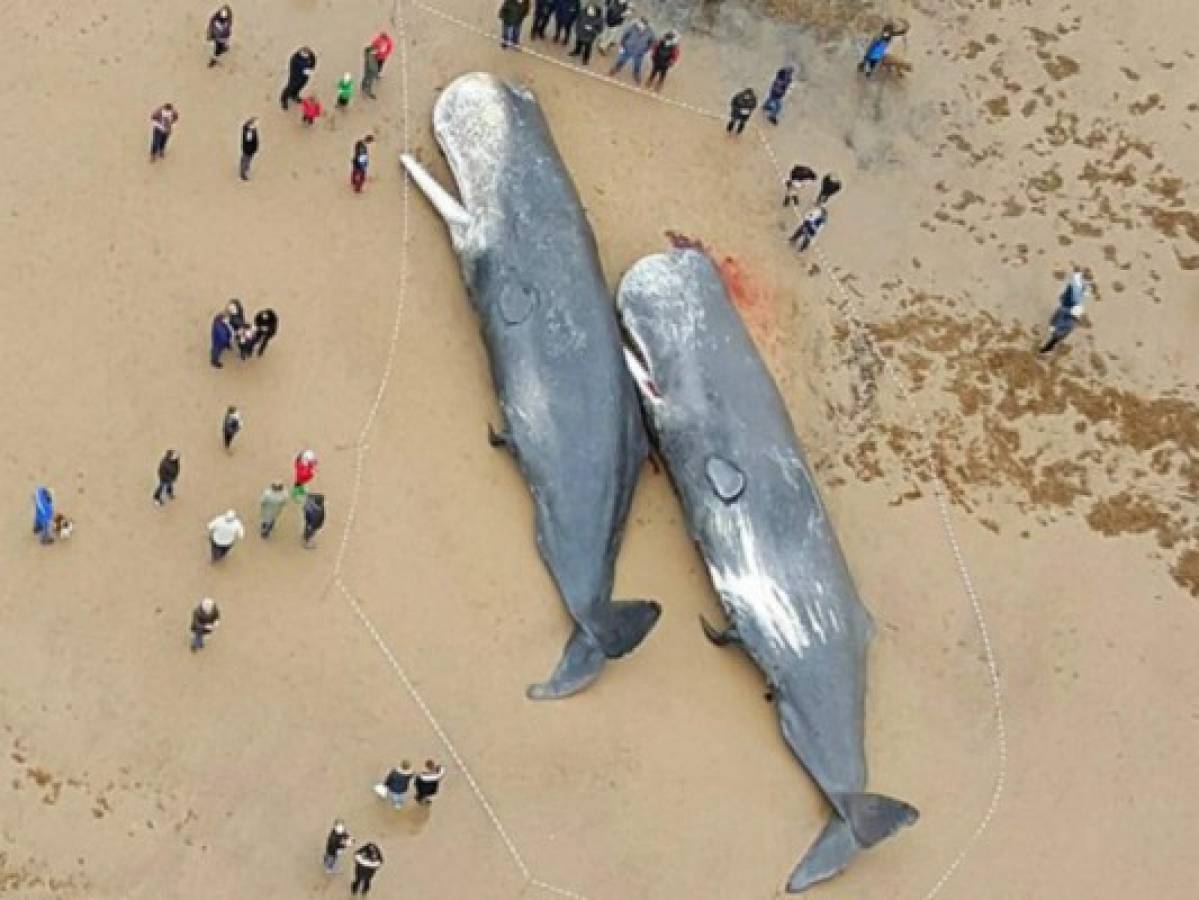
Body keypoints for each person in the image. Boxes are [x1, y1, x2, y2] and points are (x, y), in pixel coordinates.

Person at [608, 17, 654, 85]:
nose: (640, 25)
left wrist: (645, 50)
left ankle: (636, 75)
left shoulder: (650, 32)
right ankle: (615, 69)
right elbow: (624, 36)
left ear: (646, 25)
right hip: (628, 48)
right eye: (639, 23)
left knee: (637, 65)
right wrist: (622, 45)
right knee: (621, 60)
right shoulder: (632, 28)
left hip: (639, 52)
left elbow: (651, 42)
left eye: (642, 24)